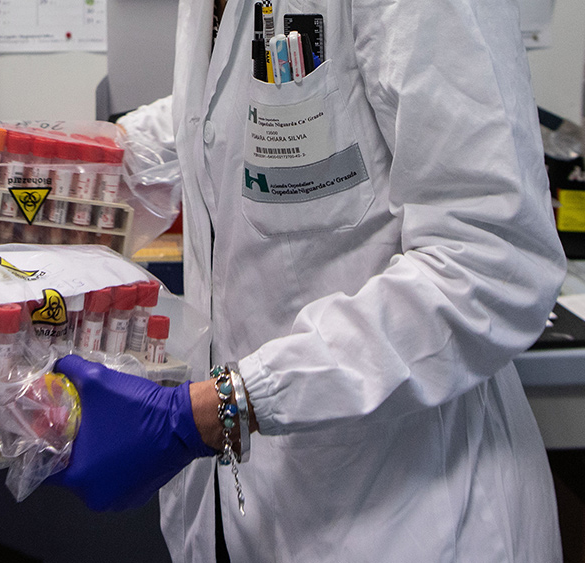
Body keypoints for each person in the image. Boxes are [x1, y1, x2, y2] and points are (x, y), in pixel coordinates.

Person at [47, 0, 568, 561]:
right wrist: (52, 170)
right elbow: (223, 110)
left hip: (410, 516)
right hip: (247, 506)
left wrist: (222, 407)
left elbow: (491, 261)